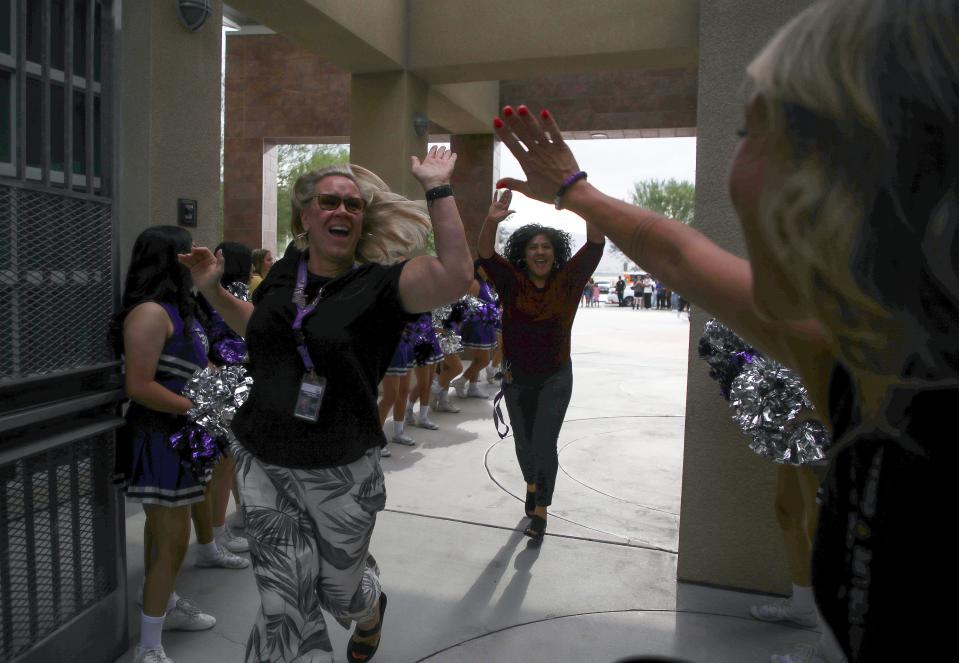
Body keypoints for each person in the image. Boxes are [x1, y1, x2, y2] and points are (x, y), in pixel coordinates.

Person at [492, 2, 956, 659]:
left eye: (759, 131)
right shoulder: (865, 360)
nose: (736, 168)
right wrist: (575, 191)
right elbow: (679, 256)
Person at [178, 147, 472, 663]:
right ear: (306, 216)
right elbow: (264, 331)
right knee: (282, 602)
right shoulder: (285, 272)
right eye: (329, 202)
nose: (342, 211)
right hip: (263, 457)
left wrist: (439, 189)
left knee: (341, 592)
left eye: (353, 205)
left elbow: (453, 276)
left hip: (341, 464)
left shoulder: (382, 285)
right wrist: (214, 293)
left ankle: (369, 607)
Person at [111, 226, 218, 663]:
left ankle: (166, 607)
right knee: (172, 540)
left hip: (184, 434)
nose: (196, 255)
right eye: (188, 248)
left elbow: (190, 367)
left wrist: (218, 388)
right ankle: (148, 647)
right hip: (159, 436)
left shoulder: (179, 309)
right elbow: (138, 385)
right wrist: (197, 405)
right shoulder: (151, 313)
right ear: (170, 258)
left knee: (166, 535)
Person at [478, 189, 605, 541]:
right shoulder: (511, 282)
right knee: (524, 445)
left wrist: (584, 202)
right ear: (523, 252)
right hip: (517, 378)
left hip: (556, 376)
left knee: (545, 443)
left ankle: (541, 512)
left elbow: (595, 243)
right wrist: (491, 221)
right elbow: (485, 253)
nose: (539, 251)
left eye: (546, 246)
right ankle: (532, 484)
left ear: (555, 252)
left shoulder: (569, 281)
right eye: (533, 246)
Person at [195, 241, 255, 557]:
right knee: (226, 462)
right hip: (230, 383)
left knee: (225, 461)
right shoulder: (233, 293)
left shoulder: (203, 293)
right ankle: (219, 531)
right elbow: (241, 340)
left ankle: (221, 528)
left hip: (211, 382)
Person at [451, 263, 498, 399]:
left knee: (479, 359)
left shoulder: (485, 284)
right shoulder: (475, 283)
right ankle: (461, 381)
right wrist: (484, 312)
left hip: (486, 326)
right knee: (483, 360)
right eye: (485, 267)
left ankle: (473, 387)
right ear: (477, 268)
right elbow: (465, 306)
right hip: (478, 327)